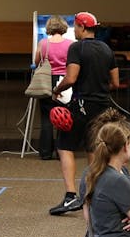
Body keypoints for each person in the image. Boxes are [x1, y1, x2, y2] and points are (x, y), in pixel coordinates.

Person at [50, 11, 121, 216]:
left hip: (81, 104)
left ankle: (71, 196)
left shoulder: (77, 47)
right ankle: (95, 194)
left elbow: (71, 78)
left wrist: (57, 90)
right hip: (103, 106)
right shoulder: (107, 49)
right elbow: (115, 82)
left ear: (81, 27)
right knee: (94, 149)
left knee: (64, 146)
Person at [35, 15, 73, 161]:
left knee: (46, 117)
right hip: (64, 81)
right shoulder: (70, 44)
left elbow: (37, 61)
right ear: (63, 27)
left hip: (46, 80)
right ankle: (62, 151)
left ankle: (45, 152)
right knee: (64, 116)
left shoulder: (43, 43)